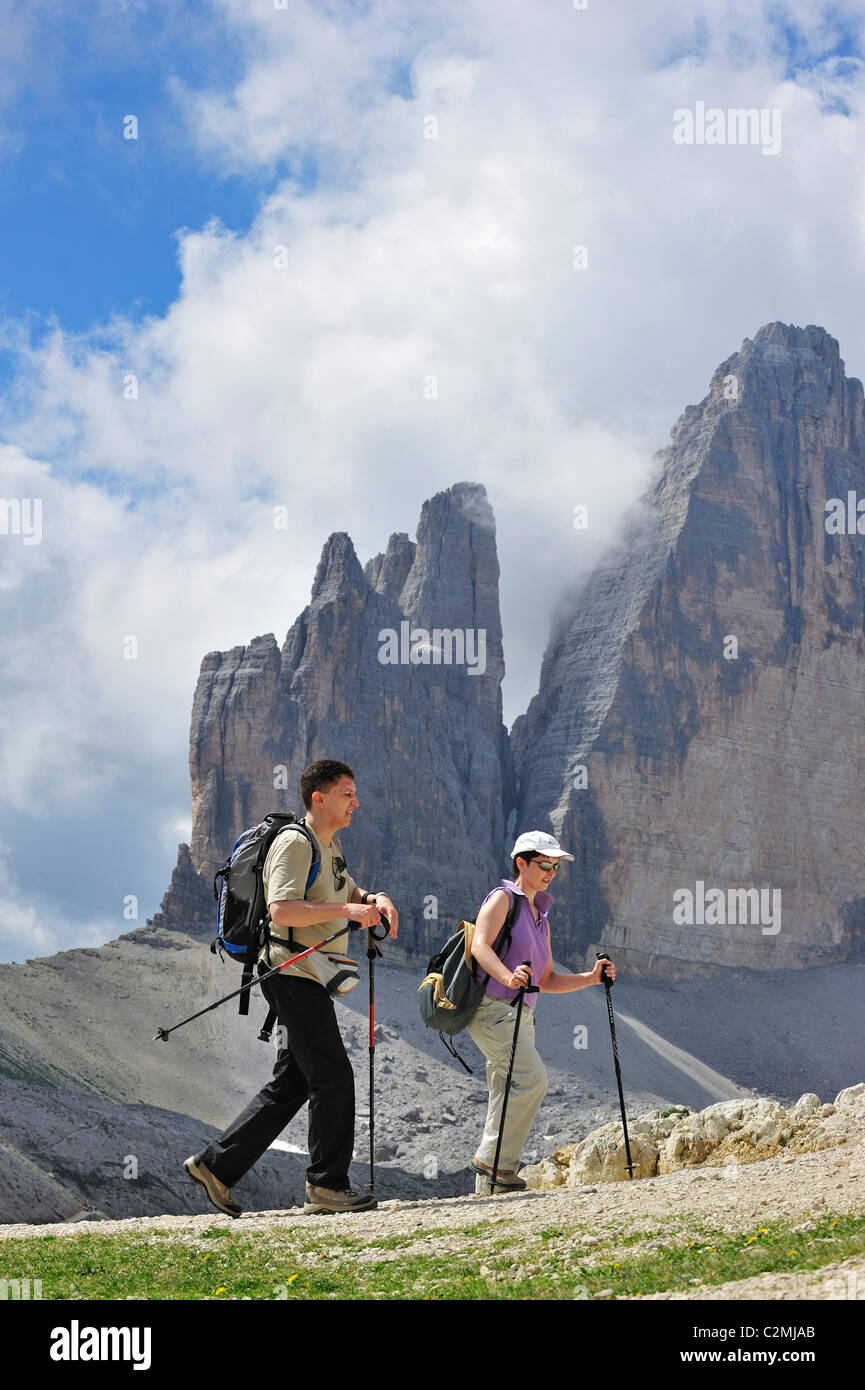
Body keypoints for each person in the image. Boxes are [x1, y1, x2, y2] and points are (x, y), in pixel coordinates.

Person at [185, 759, 398, 1216]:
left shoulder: (330, 845)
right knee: (333, 1074)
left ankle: (216, 1167)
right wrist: (349, 915)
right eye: (347, 794)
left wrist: (374, 901)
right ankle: (326, 1185)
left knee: (295, 1081)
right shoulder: (294, 844)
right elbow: (281, 910)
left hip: (310, 975)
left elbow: (351, 894)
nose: (356, 802)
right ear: (318, 798)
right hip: (289, 972)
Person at [467, 830, 616, 1191]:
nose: (551, 871)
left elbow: (546, 978)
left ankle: (488, 1189)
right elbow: (480, 947)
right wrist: (508, 974)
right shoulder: (503, 898)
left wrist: (591, 978)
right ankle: (493, 1163)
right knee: (533, 1080)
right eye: (544, 864)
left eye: (555, 866)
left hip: (521, 1017)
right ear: (521, 863)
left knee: (504, 1093)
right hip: (492, 1009)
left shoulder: (540, 917)